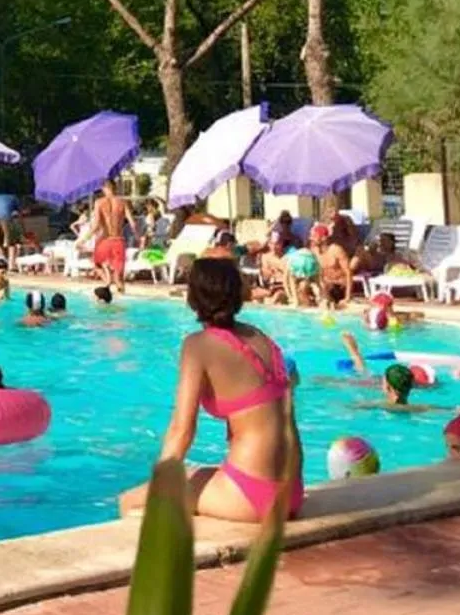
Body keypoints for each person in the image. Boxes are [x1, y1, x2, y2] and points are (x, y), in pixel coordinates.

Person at [120, 257, 304, 523]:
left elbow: (182, 431)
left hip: (255, 497)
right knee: (200, 475)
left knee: (130, 501)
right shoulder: (259, 338)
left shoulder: (198, 346)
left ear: (193, 297)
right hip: (291, 492)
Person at [90, 180, 137, 295]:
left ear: (104, 189)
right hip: (118, 241)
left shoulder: (99, 202)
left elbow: (96, 226)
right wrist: (138, 236)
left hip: (105, 240)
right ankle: (121, 298)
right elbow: (133, 223)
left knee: (97, 264)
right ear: (115, 188)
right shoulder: (122, 202)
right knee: (119, 277)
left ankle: (107, 280)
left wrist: (83, 239)